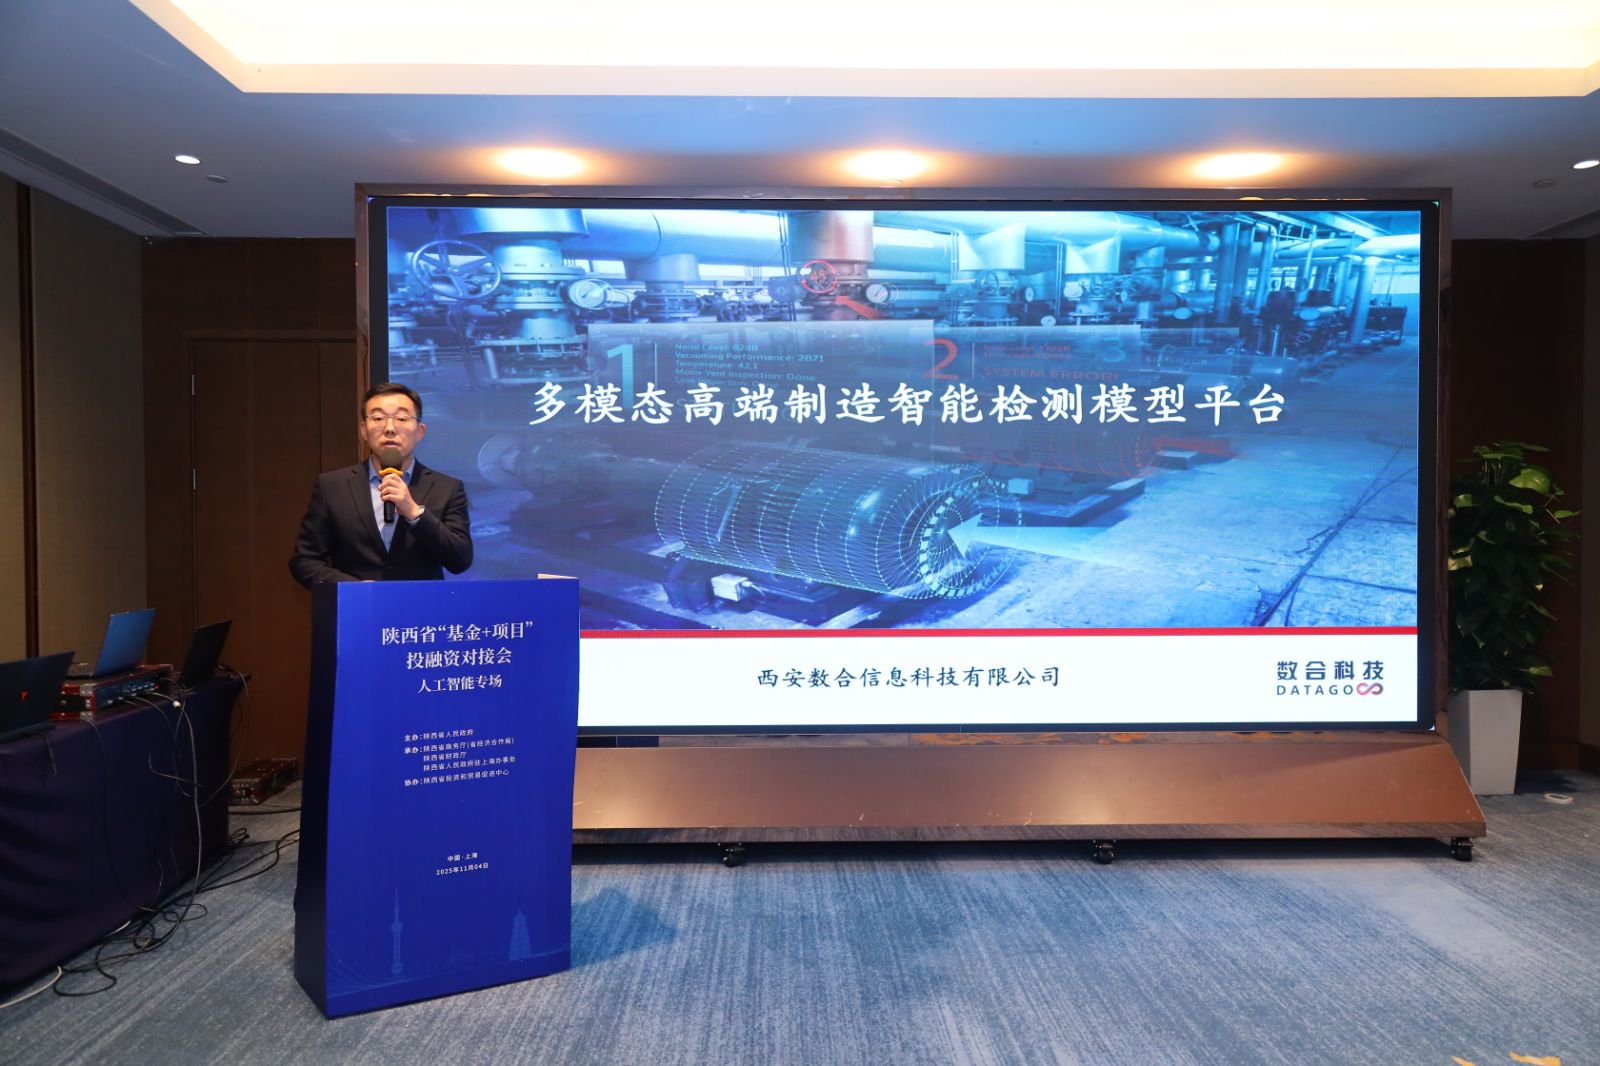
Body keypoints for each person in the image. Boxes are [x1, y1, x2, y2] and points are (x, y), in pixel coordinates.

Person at [289, 383, 473, 587]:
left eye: (401, 418)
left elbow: (460, 560)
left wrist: (415, 513)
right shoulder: (332, 486)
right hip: (357, 605)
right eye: (378, 418)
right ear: (364, 430)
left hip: (421, 607)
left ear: (420, 431)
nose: (390, 428)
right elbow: (305, 561)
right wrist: (354, 589)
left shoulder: (447, 488)